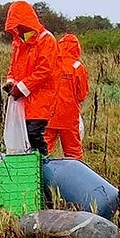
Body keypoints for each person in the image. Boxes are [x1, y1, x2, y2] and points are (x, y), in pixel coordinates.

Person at [0, 1, 61, 155]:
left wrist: (20, 88)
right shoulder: (19, 43)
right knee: (23, 137)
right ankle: (30, 169)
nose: (17, 30)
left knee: (34, 134)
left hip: (41, 97)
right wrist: (11, 82)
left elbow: (44, 70)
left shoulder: (46, 40)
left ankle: (43, 166)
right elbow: (14, 68)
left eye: (19, 25)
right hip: (22, 100)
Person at [45, 32, 89, 160]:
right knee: (73, 152)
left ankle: (37, 178)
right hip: (69, 116)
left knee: (42, 152)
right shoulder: (78, 67)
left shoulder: (50, 63)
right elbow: (82, 94)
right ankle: (74, 178)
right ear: (77, 48)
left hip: (48, 114)